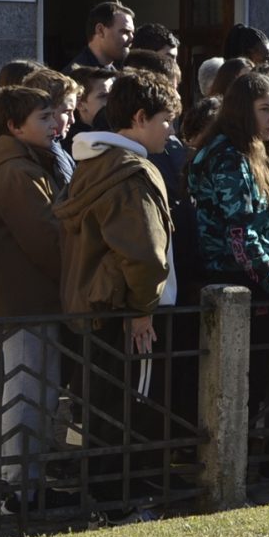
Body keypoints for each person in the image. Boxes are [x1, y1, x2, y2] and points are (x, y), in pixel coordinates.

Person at [55, 70, 186, 505]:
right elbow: (144, 253)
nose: (171, 130)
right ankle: (118, 499)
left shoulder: (94, 160)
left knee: (106, 403)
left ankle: (109, 491)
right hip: (126, 310)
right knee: (131, 405)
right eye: (166, 120)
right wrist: (143, 309)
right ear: (140, 117)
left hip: (97, 303)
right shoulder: (132, 171)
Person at [188, 72, 269, 454]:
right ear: (243, 111)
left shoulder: (247, 150)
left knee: (263, 376)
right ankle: (242, 467)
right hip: (234, 281)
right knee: (245, 381)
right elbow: (240, 237)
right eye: (264, 109)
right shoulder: (230, 156)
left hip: (244, 277)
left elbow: (249, 225)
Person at [0, 84, 67, 514]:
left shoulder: (27, 161)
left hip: (36, 297)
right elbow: (46, 239)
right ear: (14, 126)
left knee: (38, 393)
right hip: (27, 299)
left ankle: (28, 484)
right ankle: (18, 490)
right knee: (27, 393)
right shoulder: (14, 170)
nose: (54, 124)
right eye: (43, 118)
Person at [72, 0, 134, 69]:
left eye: (132, 32)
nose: (132, 38)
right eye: (125, 31)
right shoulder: (76, 74)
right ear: (100, 30)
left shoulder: (113, 71)